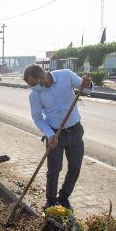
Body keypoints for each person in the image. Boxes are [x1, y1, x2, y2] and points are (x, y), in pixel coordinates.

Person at [23, 64, 92, 211]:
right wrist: (50, 134)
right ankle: (50, 200)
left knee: (75, 167)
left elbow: (85, 89)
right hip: (55, 133)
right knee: (54, 170)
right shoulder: (34, 95)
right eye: (30, 86)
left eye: (34, 84)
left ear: (42, 76)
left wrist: (88, 84)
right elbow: (37, 118)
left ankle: (64, 197)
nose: (33, 88)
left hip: (74, 131)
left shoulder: (66, 75)